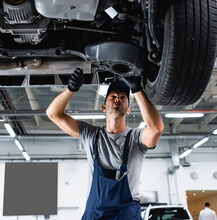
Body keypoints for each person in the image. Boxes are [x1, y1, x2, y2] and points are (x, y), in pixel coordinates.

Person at [46, 68, 164, 220]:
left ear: (128, 110)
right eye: (113, 96)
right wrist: (71, 89)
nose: (117, 99)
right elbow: (53, 113)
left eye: (123, 97)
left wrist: (137, 89)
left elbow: (156, 129)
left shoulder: (136, 138)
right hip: (95, 213)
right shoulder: (91, 135)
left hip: (126, 214)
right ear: (104, 107)